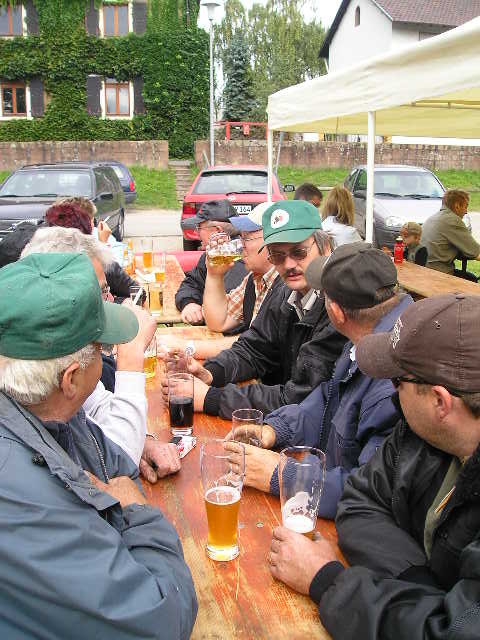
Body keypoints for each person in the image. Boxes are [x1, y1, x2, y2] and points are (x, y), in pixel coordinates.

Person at [0, 253, 197, 638]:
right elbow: (164, 619)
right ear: (71, 379)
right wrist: (138, 512)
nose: (108, 353)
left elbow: (115, 466)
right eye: (101, 347)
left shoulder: (47, 410)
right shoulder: (25, 499)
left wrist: (130, 472)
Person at [268, 293, 480, 640]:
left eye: (397, 381)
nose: (391, 392)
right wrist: (422, 590)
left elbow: (453, 632)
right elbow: (358, 500)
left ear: (440, 402)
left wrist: (327, 579)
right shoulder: (419, 433)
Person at [226, 243, 411, 518]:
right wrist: (275, 429)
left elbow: (369, 490)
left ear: (336, 312)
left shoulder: (393, 378)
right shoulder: (368, 339)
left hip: (349, 528)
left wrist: (282, 475)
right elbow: (328, 399)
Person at [22, 227, 180, 483]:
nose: (110, 301)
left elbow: (95, 406)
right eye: (101, 294)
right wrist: (131, 357)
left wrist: (141, 439)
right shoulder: (43, 370)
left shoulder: (56, 348)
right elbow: (122, 465)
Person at [163, 200, 346, 419]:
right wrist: (210, 373)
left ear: (325, 248)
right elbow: (253, 350)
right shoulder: (287, 292)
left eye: (299, 252)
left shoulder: (338, 306)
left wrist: (211, 397)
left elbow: (301, 398)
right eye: (278, 255)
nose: (288, 264)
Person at [175, 199, 248, 326]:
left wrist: (201, 314)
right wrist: (189, 303)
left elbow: (225, 318)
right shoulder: (213, 253)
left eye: (199, 228)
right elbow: (191, 283)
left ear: (218, 231)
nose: (196, 233)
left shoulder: (241, 262)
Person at [422, 189, 480, 280]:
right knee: (471, 280)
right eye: (465, 206)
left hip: (424, 269)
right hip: (437, 275)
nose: (466, 212)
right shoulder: (452, 220)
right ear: (457, 206)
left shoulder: (434, 217)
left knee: (470, 277)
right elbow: (476, 252)